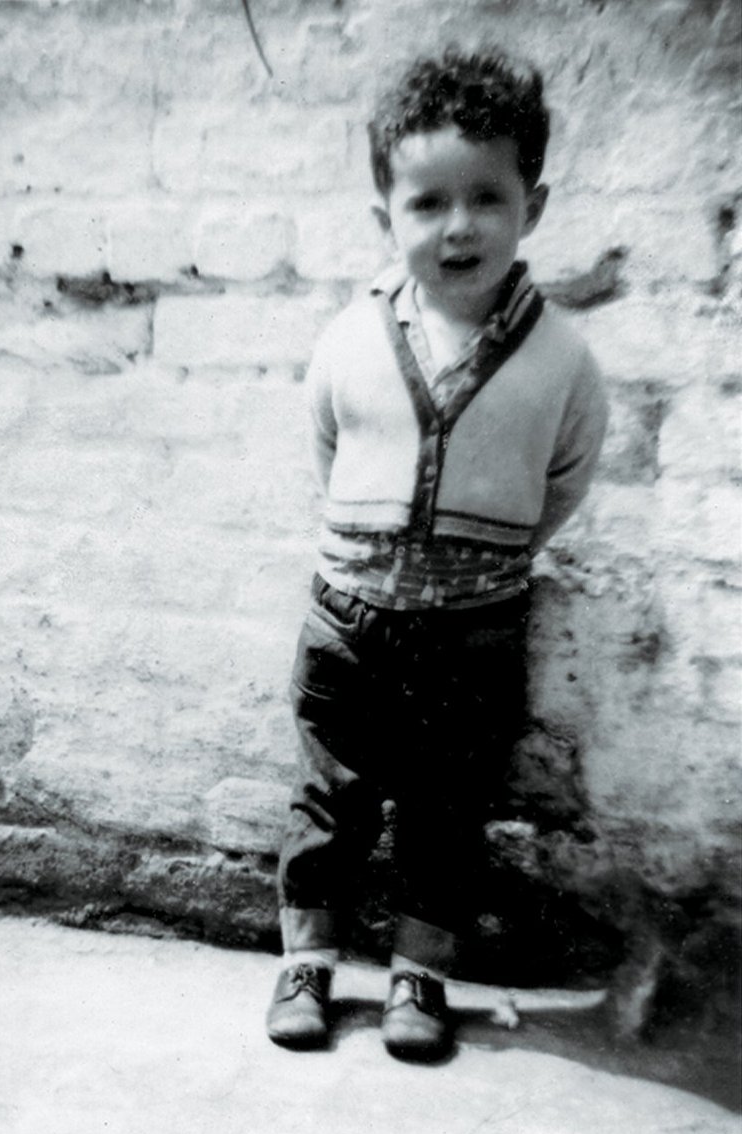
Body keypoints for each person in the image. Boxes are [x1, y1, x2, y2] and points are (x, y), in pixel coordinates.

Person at [266, 46, 608, 1061]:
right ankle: (308, 964)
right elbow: (326, 444)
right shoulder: (352, 336)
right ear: (387, 217)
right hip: (350, 618)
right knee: (330, 799)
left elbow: (567, 475)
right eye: (428, 203)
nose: (459, 226)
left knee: (447, 813)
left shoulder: (561, 358)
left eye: (486, 198)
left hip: (474, 629)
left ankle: (420, 974)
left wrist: (488, 557)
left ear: (531, 207)